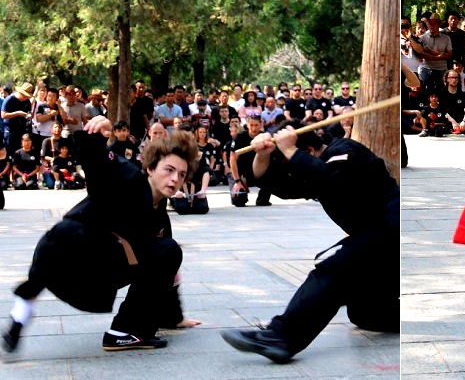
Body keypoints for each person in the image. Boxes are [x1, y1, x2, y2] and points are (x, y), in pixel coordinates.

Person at [2, 116, 202, 355]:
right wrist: (98, 133)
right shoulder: (127, 176)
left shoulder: (160, 220)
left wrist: (174, 317)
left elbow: (168, 275)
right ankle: (123, 331)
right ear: (150, 168)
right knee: (165, 250)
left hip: (89, 275)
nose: (174, 179)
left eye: (180, 174)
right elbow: (97, 162)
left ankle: (128, 329)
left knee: (167, 251)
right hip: (66, 254)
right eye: (168, 170)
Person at [220, 121, 398, 363]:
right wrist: (262, 156)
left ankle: (280, 337)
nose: (291, 167)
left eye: (293, 158)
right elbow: (275, 184)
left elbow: (330, 178)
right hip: (375, 240)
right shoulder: (312, 167)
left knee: (335, 269)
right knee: (366, 313)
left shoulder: (344, 150)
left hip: (392, 230)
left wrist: (291, 151)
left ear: (310, 150)